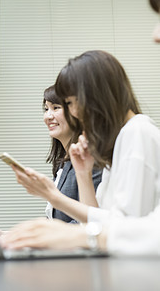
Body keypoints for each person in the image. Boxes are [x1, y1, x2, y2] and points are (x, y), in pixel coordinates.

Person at [0, 0, 160, 256]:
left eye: (70, 103)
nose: (72, 113)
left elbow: (120, 231)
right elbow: (98, 222)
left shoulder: (138, 132)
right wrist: (83, 175)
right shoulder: (121, 140)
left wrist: (53, 198)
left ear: (93, 98)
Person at [42, 86, 101, 223]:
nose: (48, 116)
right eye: (46, 109)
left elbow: (91, 220)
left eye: (56, 108)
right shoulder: (63, 163)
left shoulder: (92, 160)